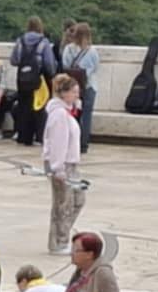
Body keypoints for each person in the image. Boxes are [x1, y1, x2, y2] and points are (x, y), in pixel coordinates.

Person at [42, 73, 84, 255]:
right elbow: (58, 143)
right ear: (64, 93)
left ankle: (62, 235)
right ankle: (59, 241)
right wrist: (58, 168)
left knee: (77, 200)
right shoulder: (59, 114)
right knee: (63, 204)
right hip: (63, 164)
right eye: (74, 92)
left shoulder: (66, 112)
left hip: (71, 163)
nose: (77, 95)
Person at [9, 18, 56, 146]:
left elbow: (14, 60)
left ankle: (23, 136)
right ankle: (38, 136)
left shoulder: (20, 41)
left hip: (22, 79)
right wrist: (52, 74)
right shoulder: (43, 42)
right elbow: (49, 64)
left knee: (23, 106)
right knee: (38, 107)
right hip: (38, 80)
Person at [61, 23, 100, 153]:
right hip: (89, 86)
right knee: (86, 115)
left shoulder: (69, 49)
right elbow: (96, 67)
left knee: (72, 114)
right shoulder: (93, 51)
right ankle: (83, 143)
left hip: (72, 86)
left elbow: (65, 65)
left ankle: (71, 141)